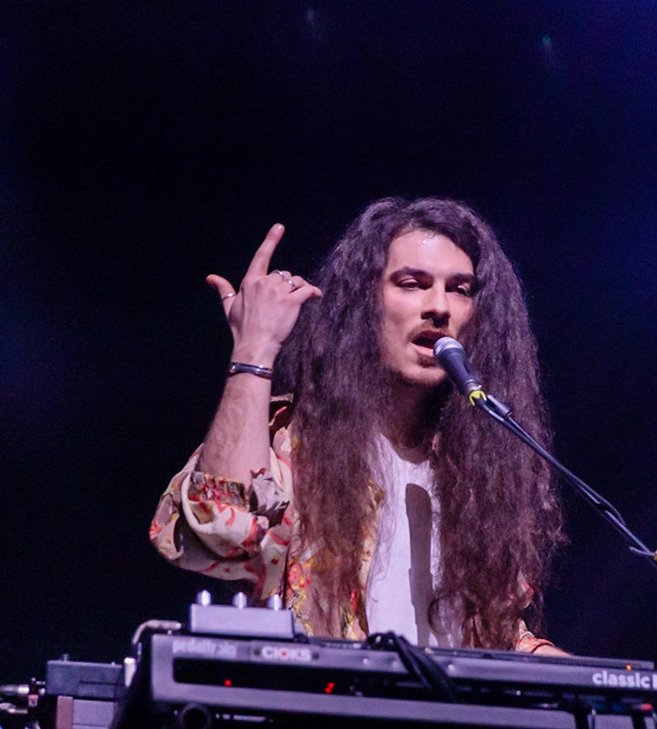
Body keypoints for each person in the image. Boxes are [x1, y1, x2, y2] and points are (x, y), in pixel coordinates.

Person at [150, 196, 565, 654]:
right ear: (364, 303)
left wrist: (613, 690)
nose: (439, 307)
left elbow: (499, 635)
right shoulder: (299, 442)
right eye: (412, 283)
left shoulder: (479, 470)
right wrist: (254, 348)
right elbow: (218, 534)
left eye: (460, 289)